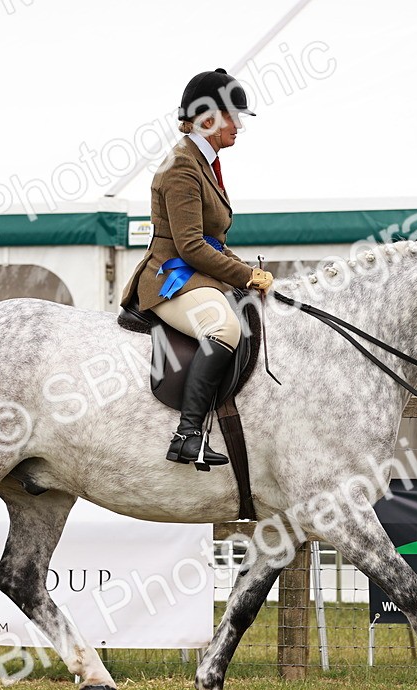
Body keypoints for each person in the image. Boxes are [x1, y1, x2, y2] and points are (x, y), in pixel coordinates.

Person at [120, 68, 274, 468]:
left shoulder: (204, 163)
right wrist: (245, 275)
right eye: (231, 117)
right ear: (207, 119)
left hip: (196, 274)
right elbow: (190, 246)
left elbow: (213, 241)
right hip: (171, 279)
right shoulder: (182, 167)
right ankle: (187, 435)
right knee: (224, 327)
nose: (238, 125)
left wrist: (244, 271)